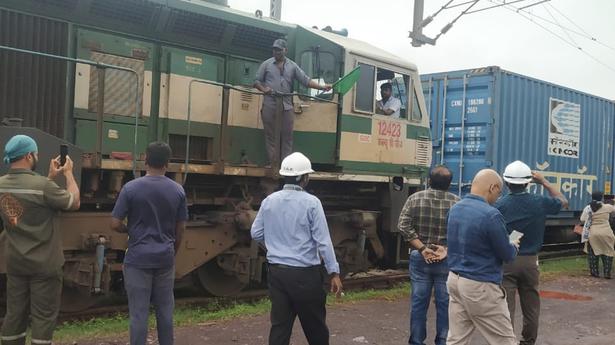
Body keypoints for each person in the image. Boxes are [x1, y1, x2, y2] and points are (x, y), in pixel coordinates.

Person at [250, 152, 342, 345]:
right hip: (305, 276)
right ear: (304, 177)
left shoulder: (269, 201)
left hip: (277, 273)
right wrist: (333, 272)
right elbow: (323, 242)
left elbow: (255, 233)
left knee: (280, 327)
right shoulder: (312, 203)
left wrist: (274, 247)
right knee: (315, 328)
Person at [0, 135, 80, 345]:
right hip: (44, 266)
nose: (36, 156)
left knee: (14, 315)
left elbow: (28, 206)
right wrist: (69, 174)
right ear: (28, 156)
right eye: (35, 154)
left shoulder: (1, 185)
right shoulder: (43, 186)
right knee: (43, 319)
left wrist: (49, 178)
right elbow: (73, 201)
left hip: (16, 263)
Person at [110, 142, 188, 345]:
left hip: (137, 258)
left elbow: (114, 223)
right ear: (168, 163)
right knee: (165, 312)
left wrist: (130, 230)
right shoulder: (178, 190)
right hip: (164, 258)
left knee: (138, 314)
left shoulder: (130, 188)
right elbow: (181, 229)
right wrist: (172, 252)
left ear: (145, 159)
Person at [495, 160, 568, 345]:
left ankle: (506, 341)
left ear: (506, 182)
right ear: (529, 182)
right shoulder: (540, 202)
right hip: (530, 262)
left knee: (505, 307)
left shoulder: (499, 205)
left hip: (506, 261)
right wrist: (544, 181)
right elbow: (563, 201)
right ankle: (528, 342)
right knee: (531, 307)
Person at [446, 169, 519, 345]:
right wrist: (514, 243)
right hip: (481, 285)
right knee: (504, 340)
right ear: (492, 187)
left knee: (457, 339)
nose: (498, 197)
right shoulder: (491, 215)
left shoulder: (455, 209)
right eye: (499, 192)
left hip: (455, 280)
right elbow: (506, 254)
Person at [397, 165, 459, 345]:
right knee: (445, 304)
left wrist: (423, 248)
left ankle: (416, 341)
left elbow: (403, 225)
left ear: (429, 181)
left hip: (420, 257)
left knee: (418, 303)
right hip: (446, 259)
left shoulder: (415, 198)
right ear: (449, 184)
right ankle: (442, 341)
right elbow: (461, 231)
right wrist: (446, 248)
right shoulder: (457, 202)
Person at [254, 39, 332, 166]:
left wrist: (323, 87)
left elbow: (306, 80)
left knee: (287, 136)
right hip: (270, 104)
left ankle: (286, 165)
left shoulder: (292, 66)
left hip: (287, 105)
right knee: (271, 136)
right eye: (274, 49)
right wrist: (264, 89)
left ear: (285, 50)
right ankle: (273, 163)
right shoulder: (266, 64)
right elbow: (256, 81)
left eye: (279, 49)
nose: (276, 52)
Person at [580, 191, 615, 279]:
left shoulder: (588, 208)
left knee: (593, 253)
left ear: (592, 197)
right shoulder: (607, 207)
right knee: (608, 253)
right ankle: (607, 273)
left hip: (593, 234)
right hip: (607, 233)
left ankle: (595, 272)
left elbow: (582, 219)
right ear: (602, 198)